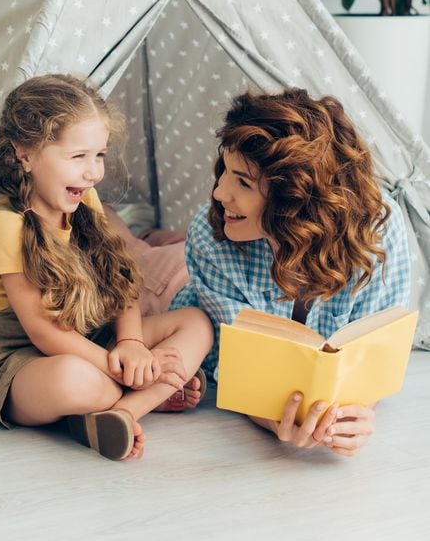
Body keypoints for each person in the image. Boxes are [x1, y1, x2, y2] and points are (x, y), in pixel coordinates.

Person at [0, 74, 213, 461]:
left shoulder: (85, 201)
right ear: (25, 154)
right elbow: (45, 335)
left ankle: (123, 412)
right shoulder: (6, 226)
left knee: (196, 322)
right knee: (74, 381)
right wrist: (123, 368)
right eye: (78, 157)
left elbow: (121, 284)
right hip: (22, 362)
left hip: (90, 338)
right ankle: (148, 390)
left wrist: (130, 344)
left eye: (98, 155)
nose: (94, 171)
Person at [170, 88, 411, 458]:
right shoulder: (209, 234)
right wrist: (274, 420)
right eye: (224, 173)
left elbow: (373, 354)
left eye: (243, 183)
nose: (219, 192)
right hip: (181, 291)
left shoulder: (377, 230)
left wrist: (354, 416)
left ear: (294, 199)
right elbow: (242, 370)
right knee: (147, 266)